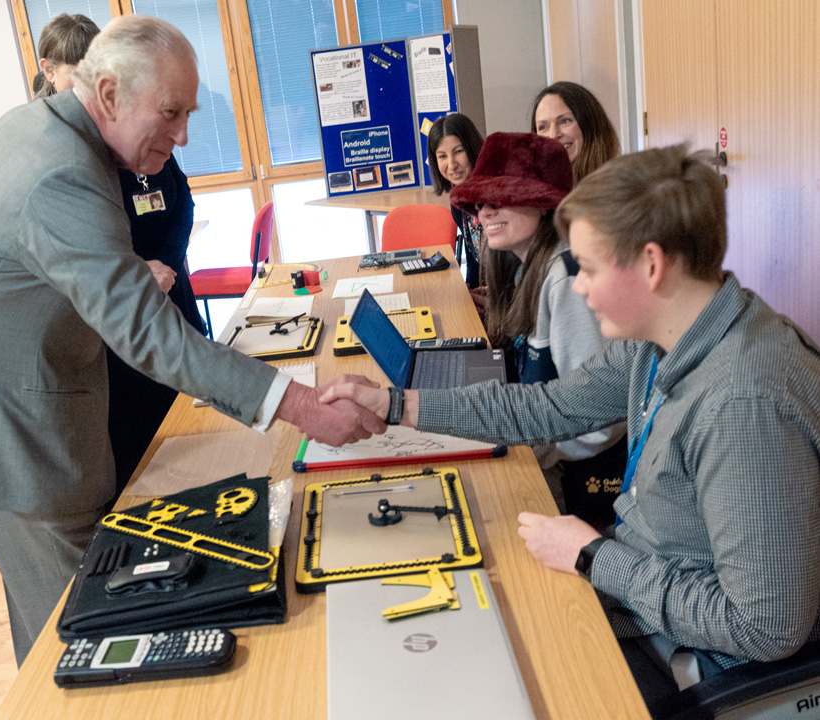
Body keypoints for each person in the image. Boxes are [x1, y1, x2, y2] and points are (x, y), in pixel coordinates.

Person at [0, 15, 383, 667]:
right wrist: (300, 407)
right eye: (170, 112)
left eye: (189, 113)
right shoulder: (61, 169)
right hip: (13, 436)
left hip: (8, 414)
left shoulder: (53, 135)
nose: (184, 134)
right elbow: (145, 331)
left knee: (50, 615)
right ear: (108, 93)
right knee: (86, 633)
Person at [322, 144, 820, 711]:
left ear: (651, 265)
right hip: (642, 596)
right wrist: (396, 404)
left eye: (588, 267)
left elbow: (765, 627)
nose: (577, 286)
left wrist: (591, 556)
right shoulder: (661, 338)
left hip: (704, 662)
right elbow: (548, 407)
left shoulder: (743, 403)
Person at [34, 13, 208, 497]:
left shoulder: (130, 129)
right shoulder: (58, 153)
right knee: (137, 437)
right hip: (114, 313)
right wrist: (136, 273)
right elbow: (84, 251)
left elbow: (182, 201)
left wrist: (168, 263)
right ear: (50, 71)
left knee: (186, 405)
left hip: (168, 284)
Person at [449, 132, 625, 524]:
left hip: (582, 484)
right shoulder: (529, 267)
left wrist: (529, 448)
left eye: (502, 198)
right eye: (481, 202)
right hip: (552, 453)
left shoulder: (565, 278)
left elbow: (600, 420)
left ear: (545, 203)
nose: (485, 212)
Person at [426, 113, 485, 290]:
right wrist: (468, 290)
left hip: (510, 301)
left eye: (459, 152)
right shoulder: (458, 199)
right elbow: (474, 258)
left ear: (473, 149)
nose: (451, 165)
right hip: (484, 296)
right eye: (442, 156)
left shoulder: (493, 196)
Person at [531, 81, 620, 183]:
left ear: (591, 125)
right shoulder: (532, 190)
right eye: (542, 127)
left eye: (565, 121)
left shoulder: (620, 187)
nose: (553, 135)